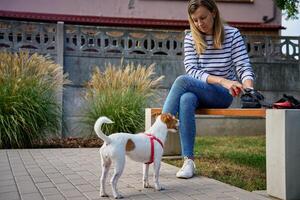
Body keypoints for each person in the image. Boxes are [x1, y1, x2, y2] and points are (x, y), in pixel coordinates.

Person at [162, 0, 255, 179]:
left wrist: (249, 89)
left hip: (222, 95)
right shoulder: (191, 38)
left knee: (182, 81)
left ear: (213, 12)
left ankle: (157, 134)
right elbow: (192, 70)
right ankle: (188, 161)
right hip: (201, 90)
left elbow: (243, 66)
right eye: (195, 20)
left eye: (203, 18)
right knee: (186, 98)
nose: (199, 24)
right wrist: (223, 80)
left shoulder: (232, 34)